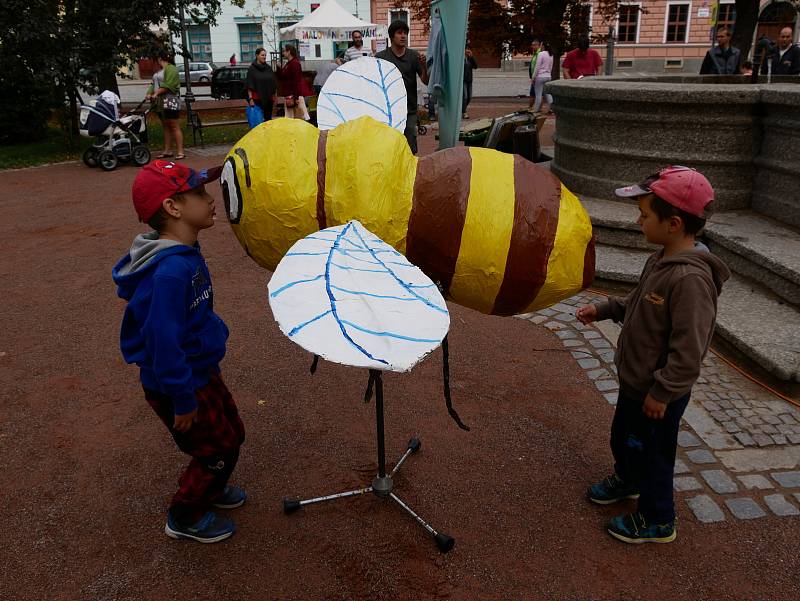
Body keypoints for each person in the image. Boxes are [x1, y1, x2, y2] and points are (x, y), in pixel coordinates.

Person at [576, 166, 730, 544]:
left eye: (645, 215)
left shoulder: (690, 280)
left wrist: (663, 392)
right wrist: (609, 308)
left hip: (659, 392)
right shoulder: (660, 260)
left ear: (674, 223)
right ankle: (627, 480)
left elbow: (689, 348)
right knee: (624, 438)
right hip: (637, 381)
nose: (638, 220)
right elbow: (641, 303)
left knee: (654, 455)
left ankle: (658, 518)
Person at [112, 160, 247, 543]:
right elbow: (162, 342)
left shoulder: (185, 253)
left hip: (199, 371)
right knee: (215, 448)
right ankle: (184, 515)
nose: (211, 200)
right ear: (173, 208)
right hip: (180, 383)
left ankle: (213, 486)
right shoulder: (170, 272)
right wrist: (182, 399)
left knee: (232, 432)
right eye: (200, 194)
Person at [376, 20, 429, 154]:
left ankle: (410, 170)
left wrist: (424, 66)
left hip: (409, 108)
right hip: (387, 109)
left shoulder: (414, 56)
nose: (403, 36)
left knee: (409, 137)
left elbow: (426, 81)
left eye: (405, 33)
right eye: (399, 33)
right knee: (390, 144)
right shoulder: (381, 57)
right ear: (392, 37)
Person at [145, 50, 184, 160]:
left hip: (170, 100)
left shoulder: (171, 69)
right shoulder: (160, 71)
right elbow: (154, 84)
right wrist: (149, 93)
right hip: (160, 102)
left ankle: (180, 151)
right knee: (166, 126)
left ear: (160, 58)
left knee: (174, 125)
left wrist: (157, 92)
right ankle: (167, 150)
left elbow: (169, 85)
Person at [280, 44, 312, 120]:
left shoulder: (295, 63)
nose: (283, 53)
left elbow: (296, 80)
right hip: (289, 94)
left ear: (289, 52)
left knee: (297, 116)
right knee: (290, 116)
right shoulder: (288, 63)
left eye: (284, 51)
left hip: (294, 95)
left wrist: (296, 97)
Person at [246, 47, 277, 121]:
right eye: (262, 55)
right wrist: (250, 99)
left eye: (265, 55)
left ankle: (268, 133)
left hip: (269, 99)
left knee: (268, 119)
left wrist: (275, 96)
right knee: (258, 120)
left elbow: (273, 83)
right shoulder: (252, 69)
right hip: (257, 99)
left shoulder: (268, 68)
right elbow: (249, 85)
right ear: (257, 56)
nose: (264, 57)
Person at [529, 39, 553, 113]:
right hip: (548, 76)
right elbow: (551, 66)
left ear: (543, 46)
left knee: (538, 94)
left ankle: (536, 109)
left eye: (541, 45)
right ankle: (552, 107)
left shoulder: (541, 54)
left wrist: (533, 78)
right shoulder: (551, 54)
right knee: (547, 94)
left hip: (540, 76)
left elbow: (537, 67)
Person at [462, 46, 478, 119]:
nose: (467, 51)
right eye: (466, 50)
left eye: (468, 50)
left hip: (469, 80)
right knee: (465, 97)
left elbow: (475, 66)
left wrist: (472, 57)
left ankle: (462, 109)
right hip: (463, 81)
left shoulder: (470, 59)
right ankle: (464, 112)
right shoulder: (461, 59)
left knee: (469, 97)